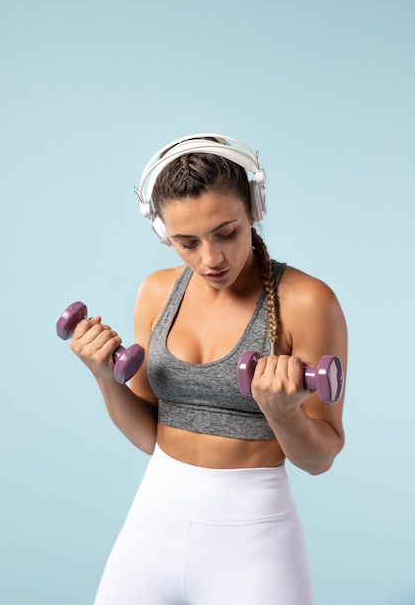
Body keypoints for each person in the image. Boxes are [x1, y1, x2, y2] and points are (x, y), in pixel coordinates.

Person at [70, 133, 347, 605]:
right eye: (187, 242)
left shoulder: (306, 301)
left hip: (253, 542)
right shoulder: (157, 292)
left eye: (226, 232)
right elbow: (150, 435)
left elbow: (319, 459)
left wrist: (282, 412)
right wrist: (101, 374)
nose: (210, 258)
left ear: (254, 209)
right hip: (152, 524)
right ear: (163, 233)